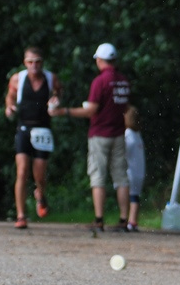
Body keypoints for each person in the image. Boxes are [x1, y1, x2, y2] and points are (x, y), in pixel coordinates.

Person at [51, 43, 131, 232]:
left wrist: (63, 111)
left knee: (98, 176)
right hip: (119, 134)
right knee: (121, 177)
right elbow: (125, 107)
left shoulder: (100, 81)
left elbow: (91, 110)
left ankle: (99, 220)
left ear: (99, 60)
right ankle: (123, 221)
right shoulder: (123, 81)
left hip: (100, 134)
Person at [5, 46, 63, 229]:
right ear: (25, 63)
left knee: (40, 175)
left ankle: (40, 193)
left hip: (43, 129)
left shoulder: (51, 78)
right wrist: (9, 107)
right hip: (23, 127)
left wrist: (56, 99)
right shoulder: (18, 78)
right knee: (22, 171)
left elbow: (59, 92)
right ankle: (21, 215)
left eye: (37, 62)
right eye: (30, 62)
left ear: (42, 63)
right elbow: (10, 97)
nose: (34, 66)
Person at [121, 105, 145, 231]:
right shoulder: (137, 134)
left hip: (130, 170)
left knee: (129, 196)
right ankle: (133, 220)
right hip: (139, 171)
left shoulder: (128, 134)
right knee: (135, 196)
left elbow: (125, 150)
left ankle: (128, 220)